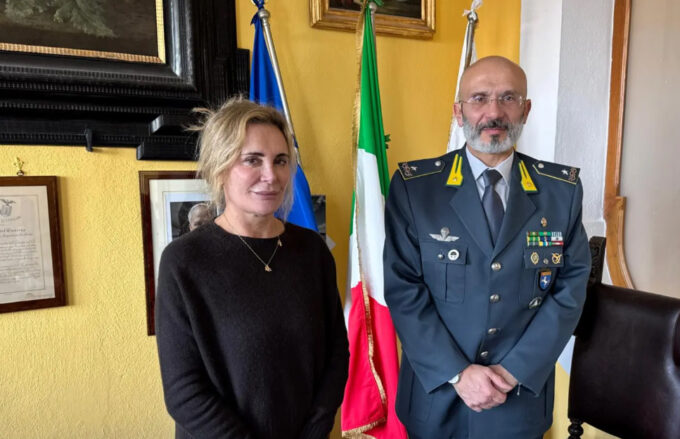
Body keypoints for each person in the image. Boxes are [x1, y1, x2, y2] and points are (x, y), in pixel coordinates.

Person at [383, 56, 591, 439]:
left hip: (518, 399)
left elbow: (570, 289)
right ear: (458, 111)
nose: (493, 112)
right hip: (437, 398)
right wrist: (458, 373)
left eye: (508, 98)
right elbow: (403, 288)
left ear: (526, 109)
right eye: (479, 98)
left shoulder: (561, 193)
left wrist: (514, 370)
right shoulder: (416, 188)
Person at [155, 97, 349, 439]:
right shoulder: (184, 261)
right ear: (220, 167)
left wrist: (316, 429)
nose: (271, 175)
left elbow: (336, 352)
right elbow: (184, 391)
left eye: (281, 161)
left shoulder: (312, 250)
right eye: (252, 160)